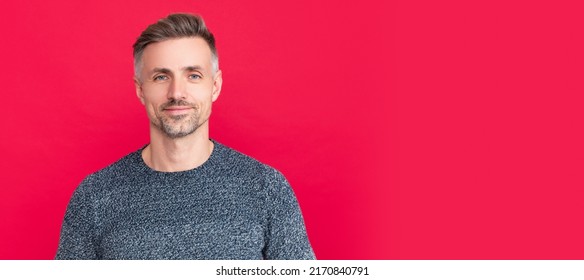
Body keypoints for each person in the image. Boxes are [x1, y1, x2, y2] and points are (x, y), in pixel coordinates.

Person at [55, 13, 315, 260]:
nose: (176, 92)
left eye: (193, 75)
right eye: (160, 76)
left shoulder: (266, 188)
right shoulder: (95, 198)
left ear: (215, 86)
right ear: (140, 89)